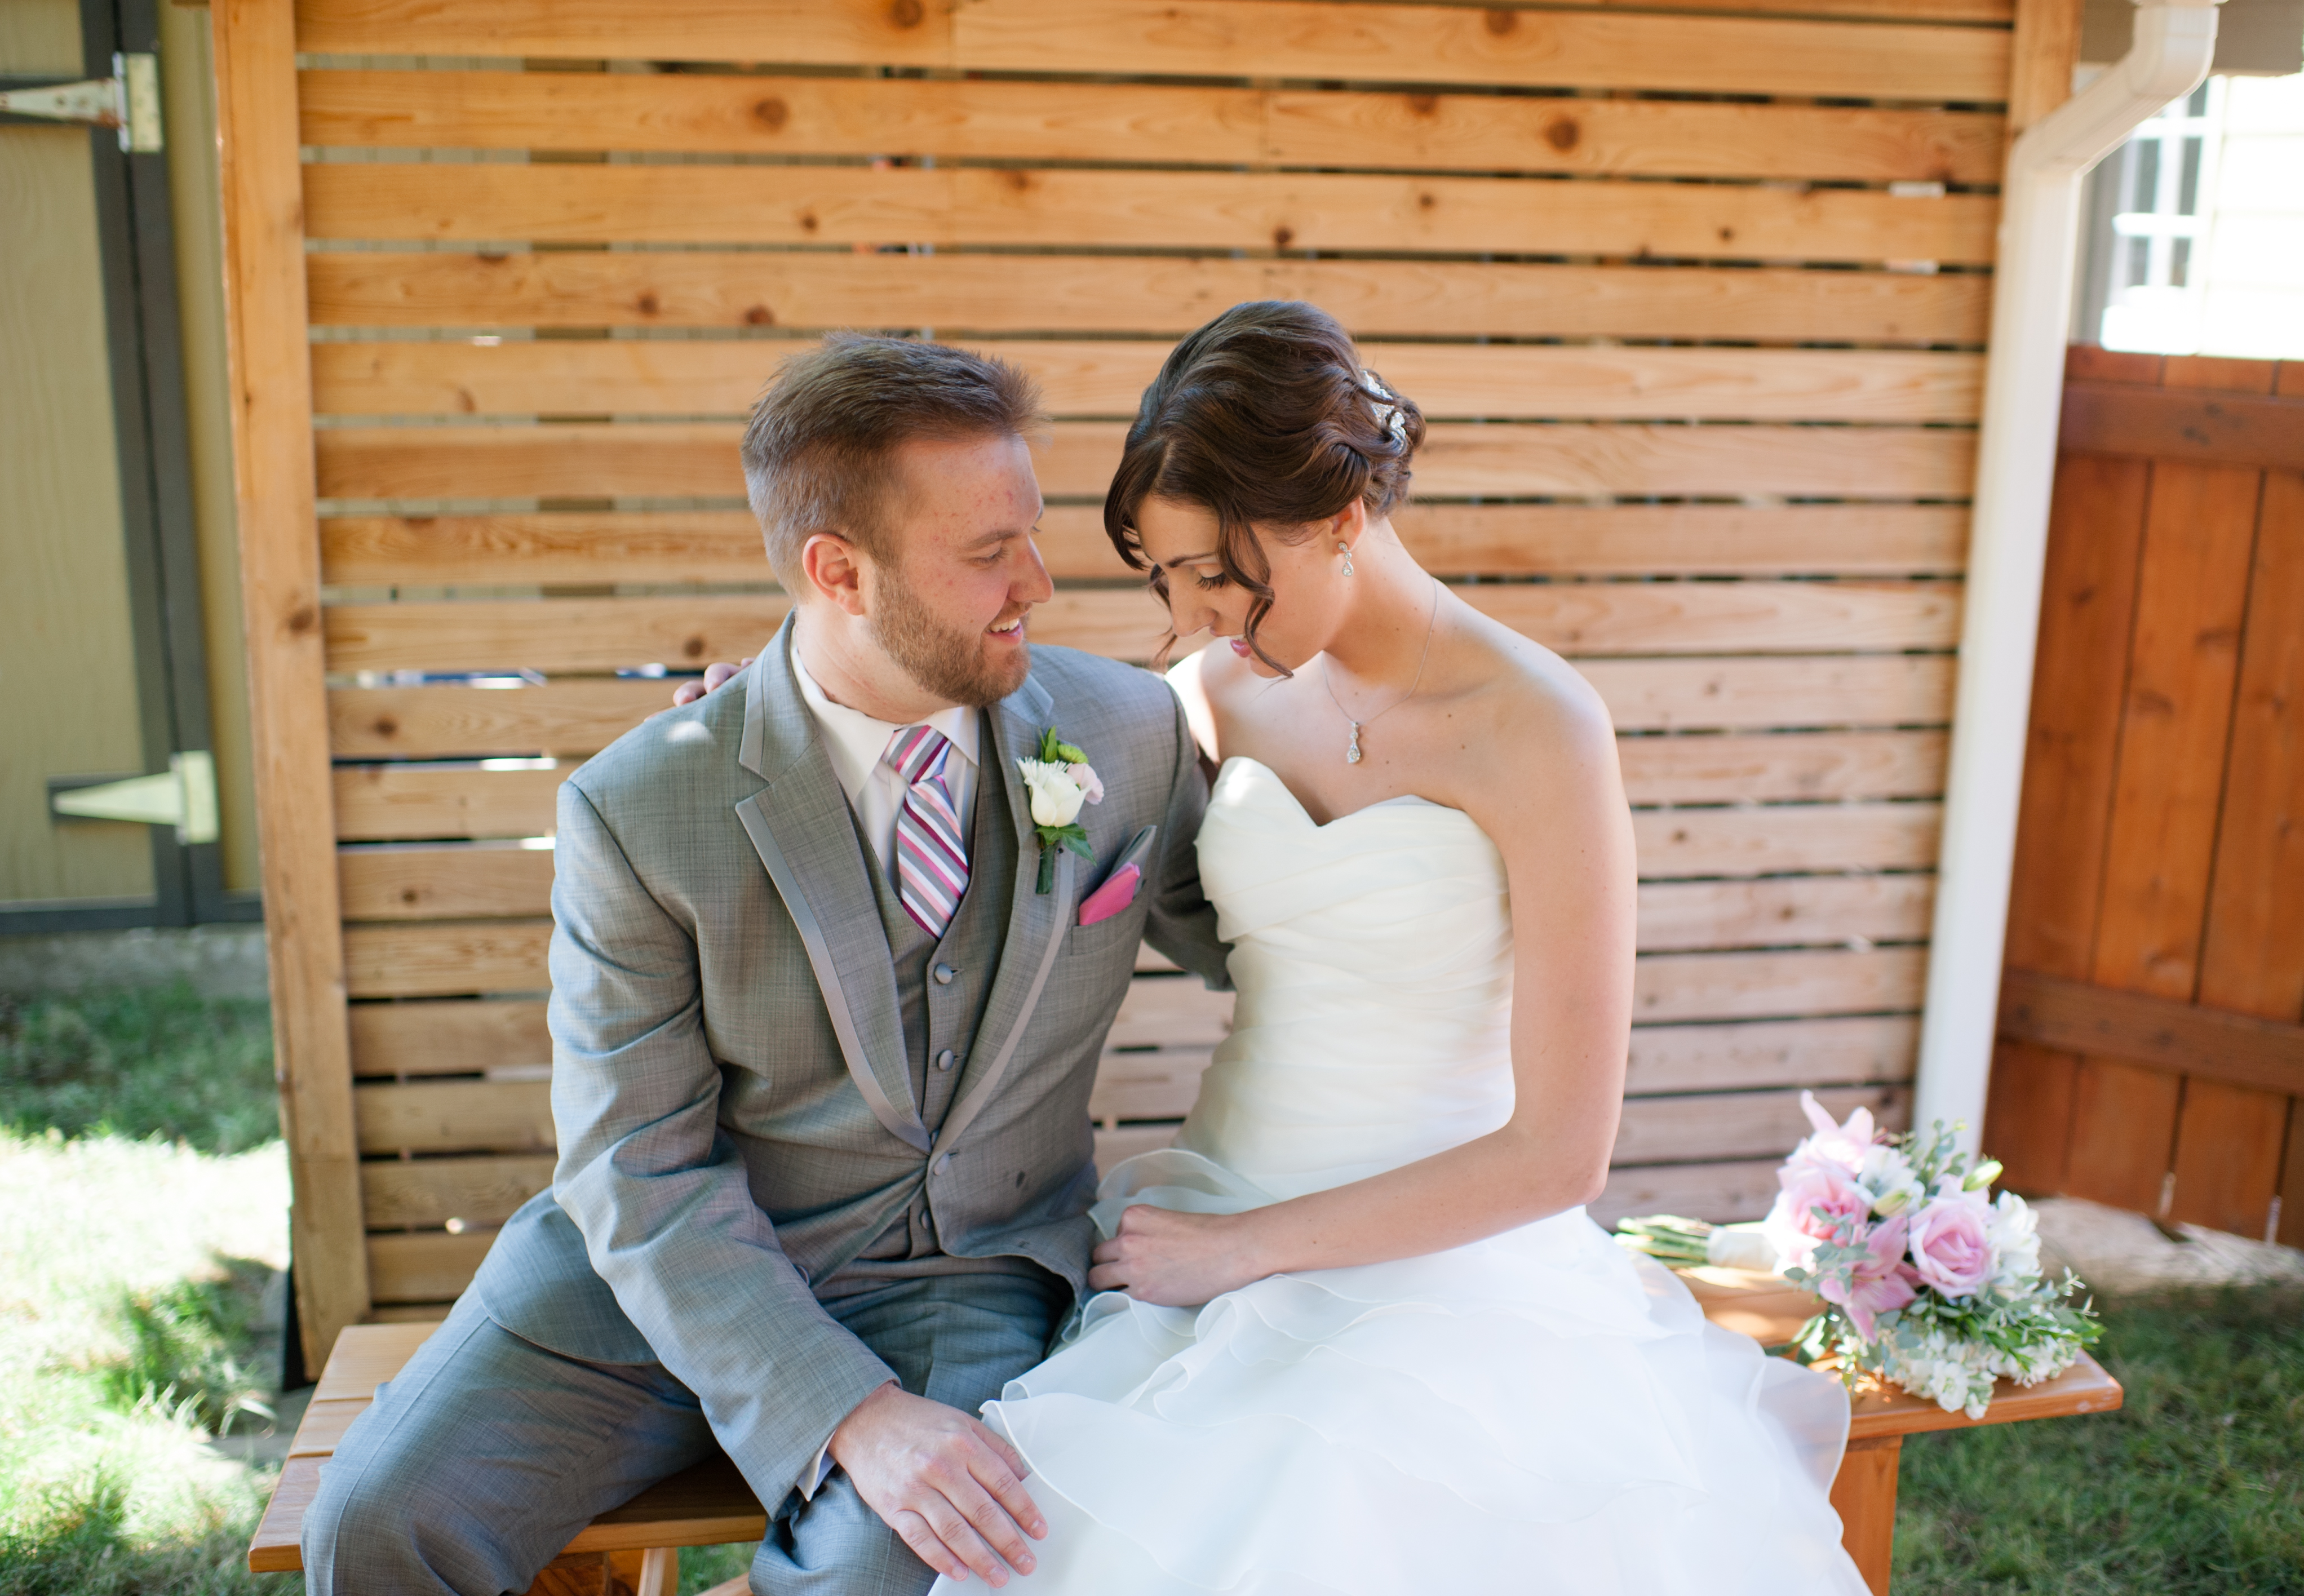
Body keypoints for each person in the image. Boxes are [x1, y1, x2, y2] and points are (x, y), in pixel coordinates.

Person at [928, 302, 1872, 1593]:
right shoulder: (1216, 695)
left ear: (1336, 514)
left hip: (1451, 1260)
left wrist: (1244, 1254)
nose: (1197, 614)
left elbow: (1562, 1152)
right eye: (1166, 579)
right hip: (1212, 1195)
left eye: (1218, 569)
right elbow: (1010, 769)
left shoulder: (1540, 724)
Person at [301, 335, 1231, 1596]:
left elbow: (1252, 937)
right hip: (640, 1289)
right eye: (985, 553)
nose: (1039, 583)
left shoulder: (1128, 732)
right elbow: (635, 1165)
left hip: (955, 1280)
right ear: (836, 571)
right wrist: (846, 1410)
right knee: (376, 1524)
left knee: (889, 1577)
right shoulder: (639, 807)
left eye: (1030, 532)